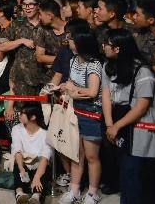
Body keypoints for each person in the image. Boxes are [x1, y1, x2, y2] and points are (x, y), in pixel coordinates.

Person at [101, 29, 155, 204]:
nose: (103, 46)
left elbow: (142, 107)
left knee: (135, 172)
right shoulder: (108, 67)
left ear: (118, 49)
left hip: (140, 128)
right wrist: (109, 123)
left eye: (107, 44)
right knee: (125, 172)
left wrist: (117, 126)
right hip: (119, 124)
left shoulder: (142, 72)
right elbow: (106, 94)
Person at [58, 25, 103, 204]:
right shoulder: (73, 60)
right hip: (75, 112)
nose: (69, 42)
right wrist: (65, 88)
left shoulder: (94, 64)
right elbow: (71, 83)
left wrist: (73, 89)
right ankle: (74, 190)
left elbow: (92, 92)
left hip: (91, 114)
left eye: (72, 39)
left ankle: (93, 192)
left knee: (92, 156)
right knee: (77, 154)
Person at [11, 103, 52, 204]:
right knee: (17, 163)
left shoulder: (45, 133)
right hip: (23, 161)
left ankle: (36, 196)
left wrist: (37, 178)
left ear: (33, 117)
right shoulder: (17, 129)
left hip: (39, 164)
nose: (19, 115)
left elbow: (45, 158)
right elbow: (17, 150)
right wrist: (21, 169)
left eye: (22, 113)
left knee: (43, 169)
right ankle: (19, 193)